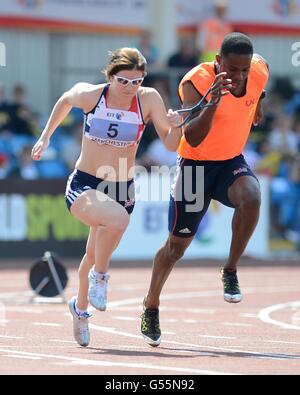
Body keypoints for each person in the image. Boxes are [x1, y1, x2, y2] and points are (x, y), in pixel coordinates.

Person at [31, 47, 182, 347]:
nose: (130, 88)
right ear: (111, 76)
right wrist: (45, 136)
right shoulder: (92, 96)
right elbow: (64, 99)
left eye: (137, 81)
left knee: (93, 254)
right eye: (123, 81)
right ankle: (102, 278)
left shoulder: (149, 99)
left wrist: (177, 127)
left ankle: (80, 308)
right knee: (118, 221)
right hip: (85, 183)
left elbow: (170, 143)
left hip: (122, 188)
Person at [141, 33, 269, 347]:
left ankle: (230, 269)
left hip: (230, 163)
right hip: (195, 167)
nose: (238, 76)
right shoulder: (194, 83)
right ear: (217, 63)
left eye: (243, 70)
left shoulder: (259, 70)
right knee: (175, 249)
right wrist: (213, 102)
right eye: (232, 70)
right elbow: (194, 138)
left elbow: (257, 100)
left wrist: (256, 108)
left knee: (251, 197)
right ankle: (151, 305)